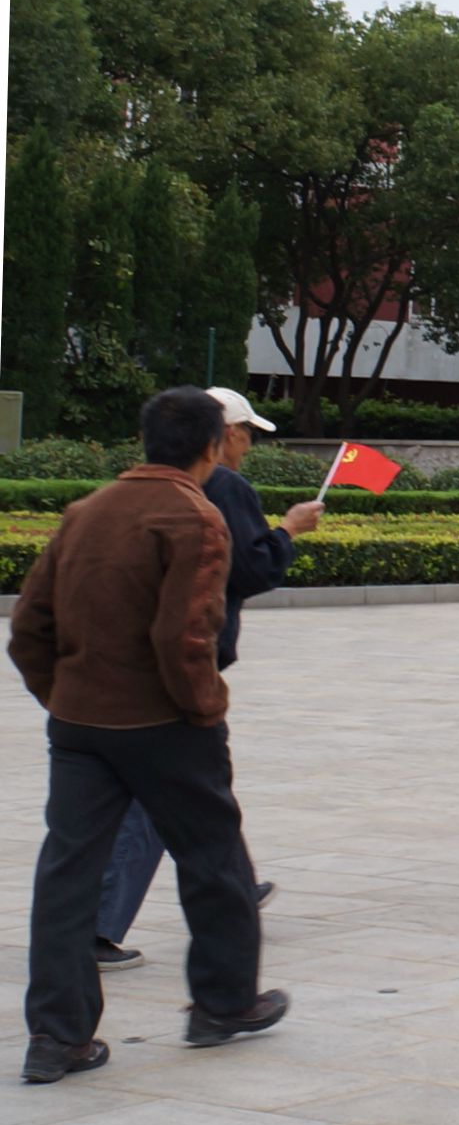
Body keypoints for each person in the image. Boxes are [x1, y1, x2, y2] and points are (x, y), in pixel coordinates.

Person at [14, 386, 288, 1080]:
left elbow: (29, 626)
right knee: (214, 856)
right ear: (211, 446)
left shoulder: (87, 510)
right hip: (164, 720)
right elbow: (183, 635)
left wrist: (63, 696)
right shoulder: (194, 515)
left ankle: (58, 1036)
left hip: (79, 722)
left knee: (68, 873)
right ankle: (223, 1003)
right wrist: (202, 708)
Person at [91, 386, 308, 970]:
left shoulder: (120, 494)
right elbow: (251, 569)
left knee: (202, 786)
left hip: (108, 677)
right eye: (247, 434)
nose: (248, 446)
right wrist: (288, 531)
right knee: (167, 792)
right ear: (220, 436)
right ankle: (102, 928)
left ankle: (235, 885)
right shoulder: (225, 487)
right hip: (179, 672)